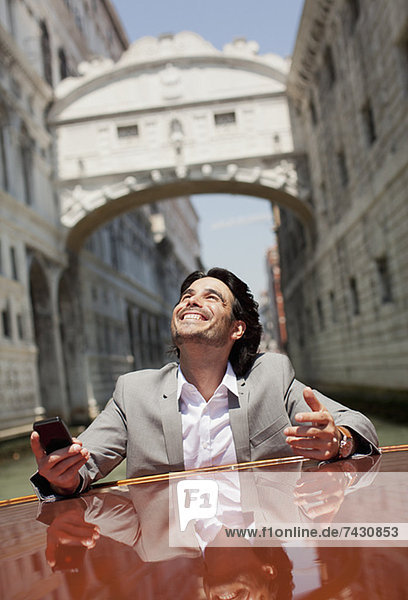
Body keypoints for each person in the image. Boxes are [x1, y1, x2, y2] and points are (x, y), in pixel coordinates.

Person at [31, 268, 379, 499]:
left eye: (211, 296)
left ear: (236, 329)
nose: (191, 300)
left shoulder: (273, 375)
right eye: (186, 297)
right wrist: (62, 476)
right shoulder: (132, 393)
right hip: (171, 564)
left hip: (256, 543)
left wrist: (339, 442)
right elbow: (82, 467)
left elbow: (358, 426)